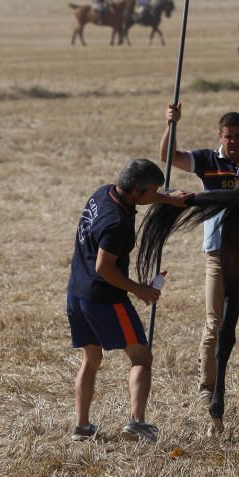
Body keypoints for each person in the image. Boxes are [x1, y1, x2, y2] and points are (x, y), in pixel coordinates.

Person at [159, 103, 239, 403]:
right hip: (217, 253)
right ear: (220, 137)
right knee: (215, 323)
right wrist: (171, 124)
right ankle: (207, 386)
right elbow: (168, 157)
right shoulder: (206, 160)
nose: (234, 141)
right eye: (229, 136)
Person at [67, 158, 191, 443]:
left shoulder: (103, 192)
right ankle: (137, 423)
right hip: (105, 299)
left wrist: (166, 198)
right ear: (136, 193)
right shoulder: (119, 223)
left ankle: (82, 427)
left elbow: (143, 193)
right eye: (152, 192)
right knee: (141, 358)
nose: (154, 196)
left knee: (91, 358)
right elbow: (104, 267)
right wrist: (139, 290)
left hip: (76, 292)